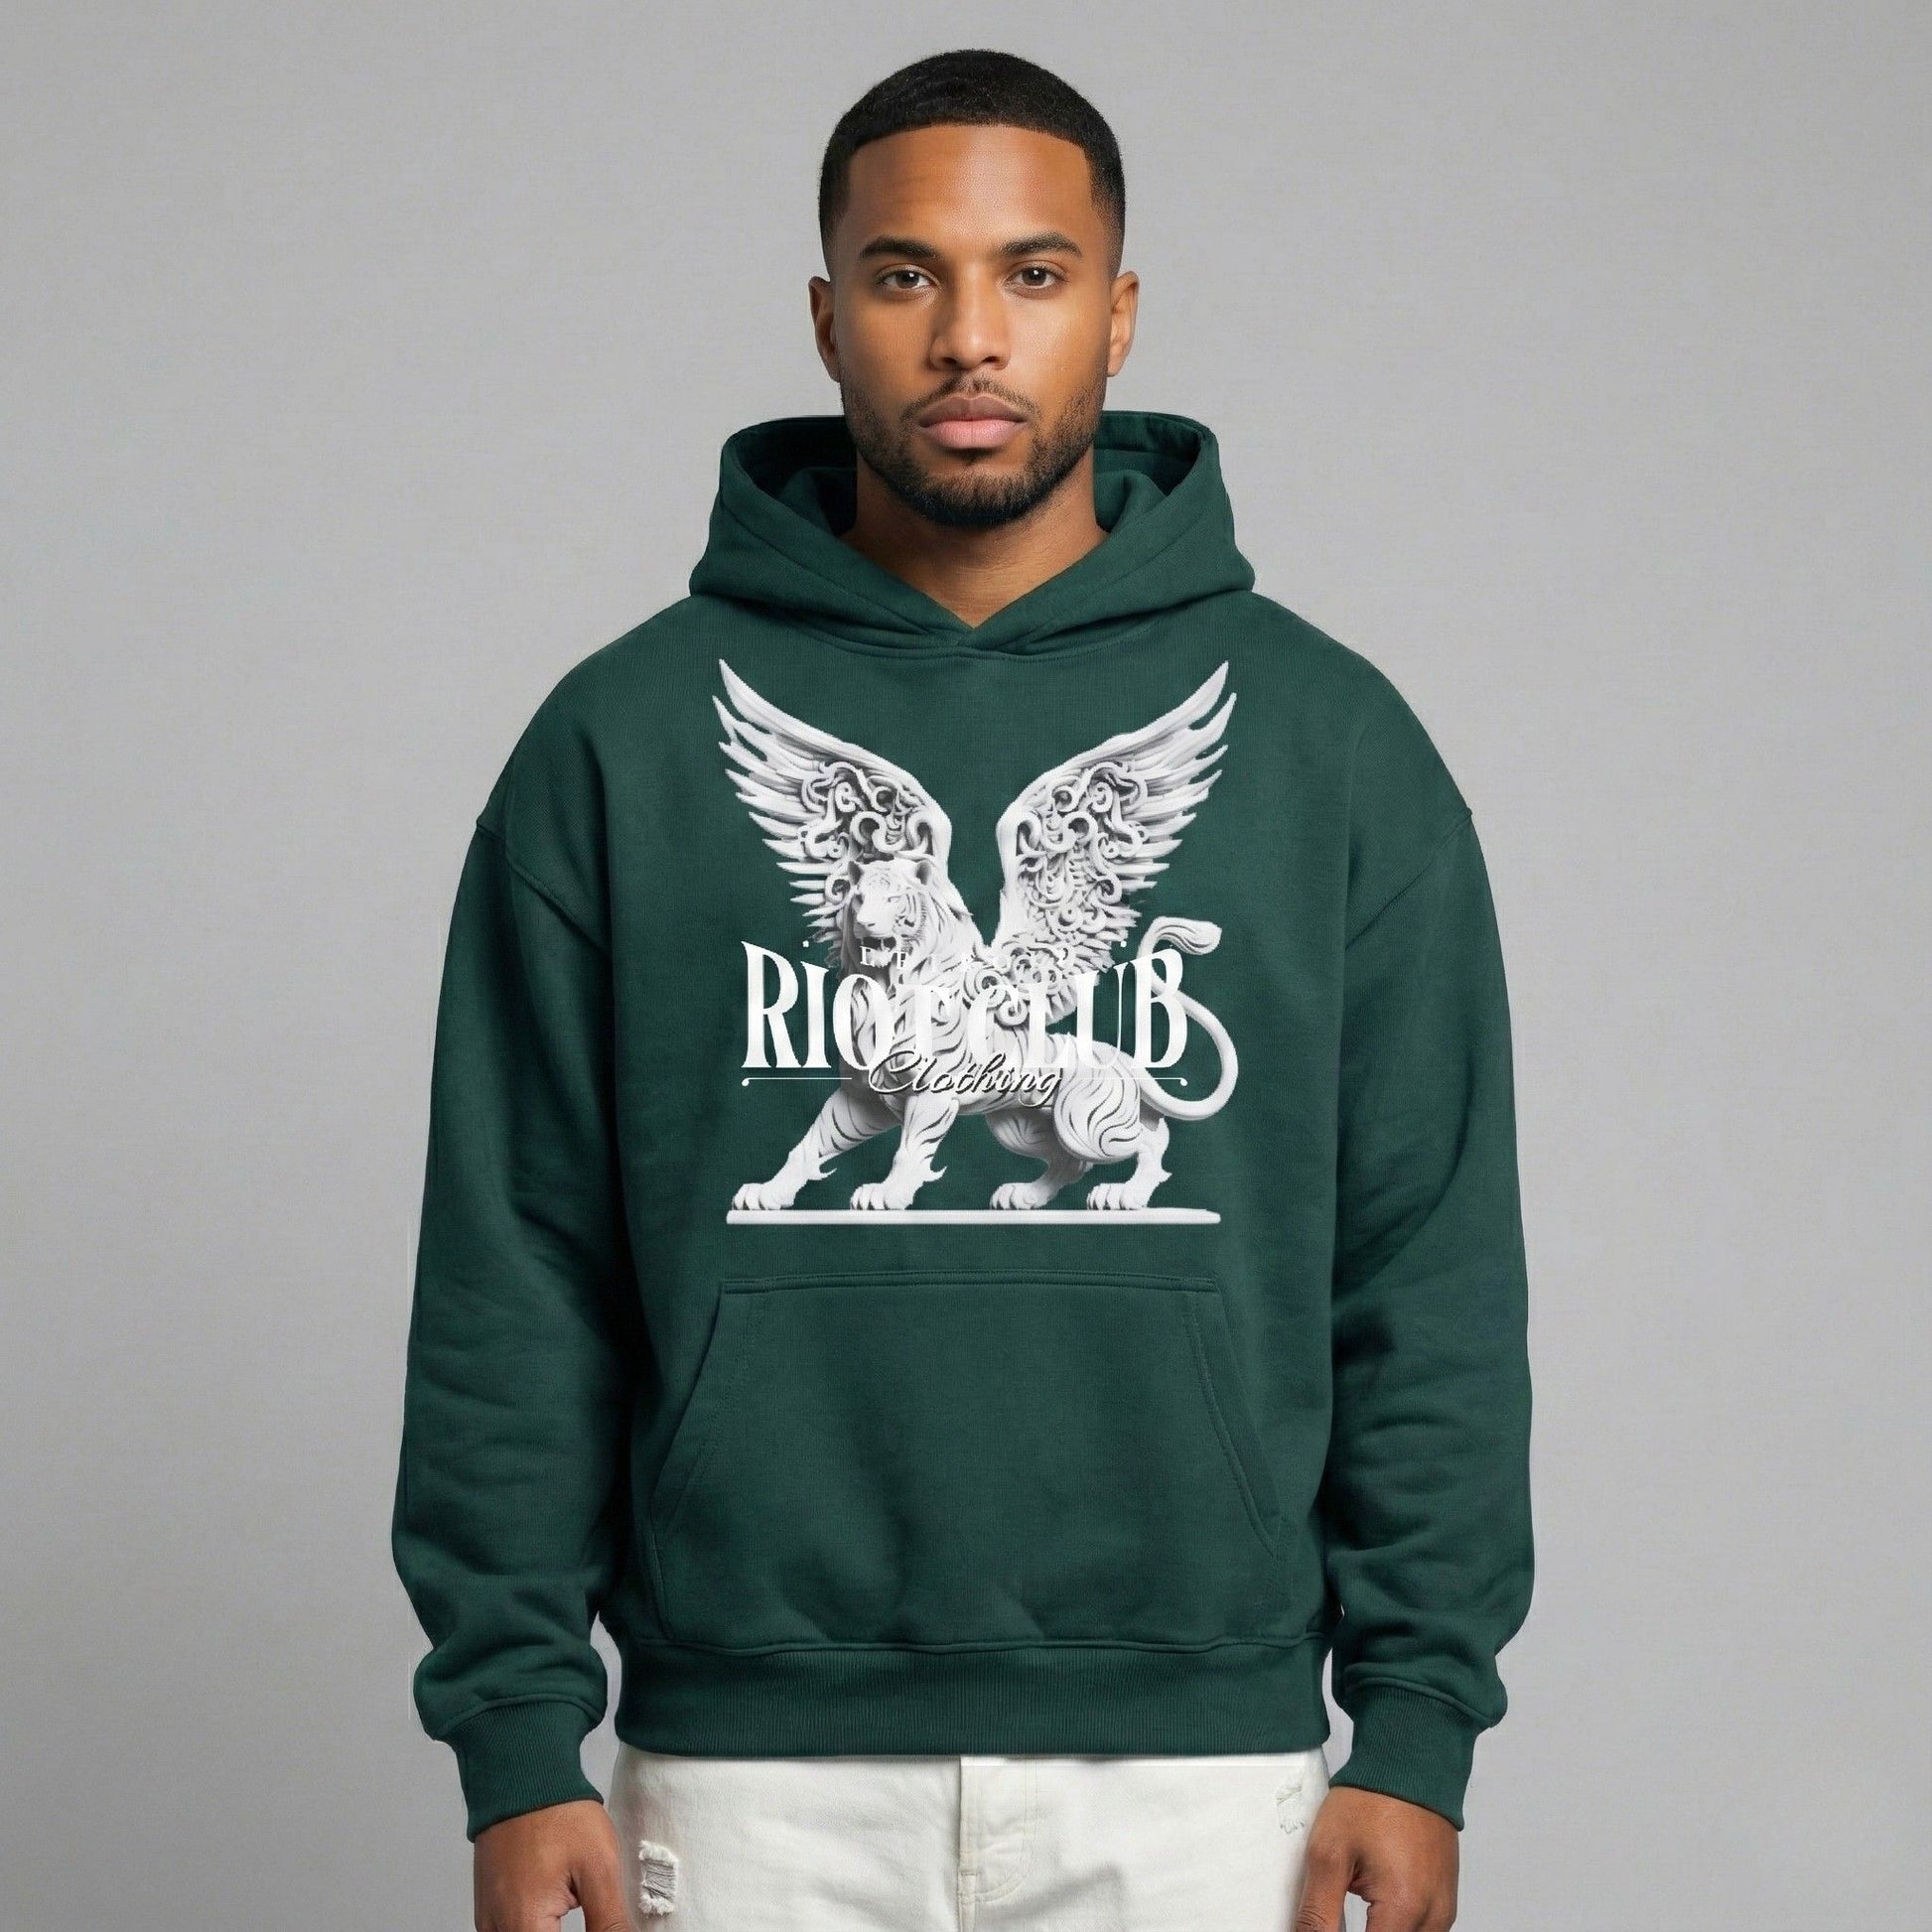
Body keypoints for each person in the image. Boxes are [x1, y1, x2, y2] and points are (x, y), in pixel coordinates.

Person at [391, 46, 1534, 1932]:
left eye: (1034, 272)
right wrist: (517, 1739)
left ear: (1118, 313)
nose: (969, 336)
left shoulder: (1331, 745)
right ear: (827, 315)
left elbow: (1428, 1270)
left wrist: (1414, 1725)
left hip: (1199, 1783)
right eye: (907, 273)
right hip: (746, 1777)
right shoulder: (623, 740)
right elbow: (514, 1268)